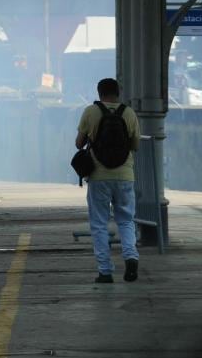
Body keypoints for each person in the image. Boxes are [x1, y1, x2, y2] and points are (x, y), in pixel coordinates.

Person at [75, 78, 141, 283]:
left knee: (99, 224)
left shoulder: (90, 111)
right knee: (126, 220)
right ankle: (130, 256)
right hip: (124, 176)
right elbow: (135, 145)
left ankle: (105, 271)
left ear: (99, 92)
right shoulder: (129, 113)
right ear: (118, 93)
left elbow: (79, 144)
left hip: (98, 176)